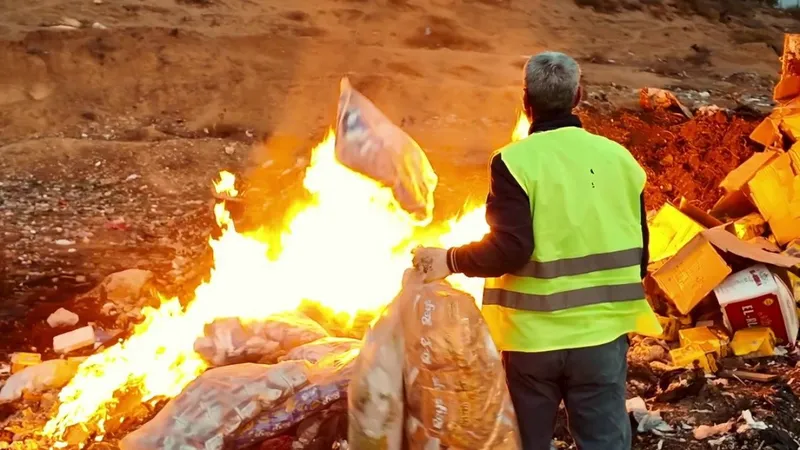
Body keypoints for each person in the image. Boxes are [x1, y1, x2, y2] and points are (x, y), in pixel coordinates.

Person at [412, 51, 662, 450]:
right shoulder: (620, 159)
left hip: (532, 343)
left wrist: (450, 259)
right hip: (601, 337)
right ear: (578, 95)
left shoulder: (513, 161)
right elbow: (641, 250)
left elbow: (511, 249)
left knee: (526, 442)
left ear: (525, 101)